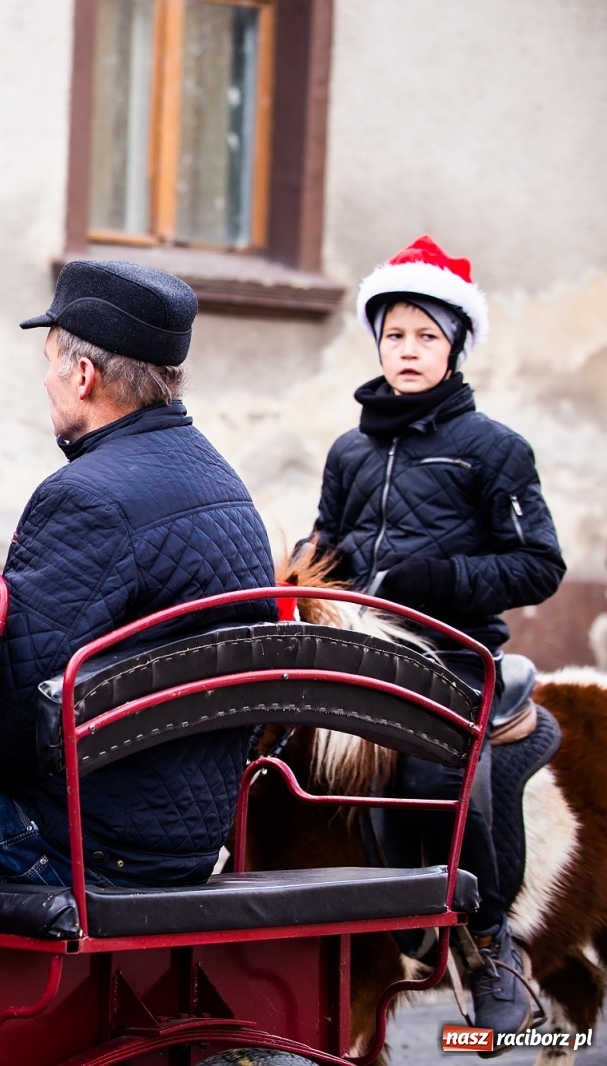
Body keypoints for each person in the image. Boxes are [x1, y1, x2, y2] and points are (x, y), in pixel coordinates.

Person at [0, 260, 276, 887]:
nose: (44, 380)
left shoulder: (87, 496)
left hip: (73, 843)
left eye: (49, 362)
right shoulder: (223, 483)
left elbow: (8, 697)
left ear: (82, 375)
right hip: (179, 843)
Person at [308, 235, 565, 1035]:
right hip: (362, 646)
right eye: (395, 334)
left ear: (454, 345)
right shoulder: (349, 451)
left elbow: (540, 565)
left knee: (429, 774)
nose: (409, 349)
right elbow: (328, 541)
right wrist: (314, 570)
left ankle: (489, 947)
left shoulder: (494, 449)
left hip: (454, 653)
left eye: (427, 335)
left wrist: (442, 579)